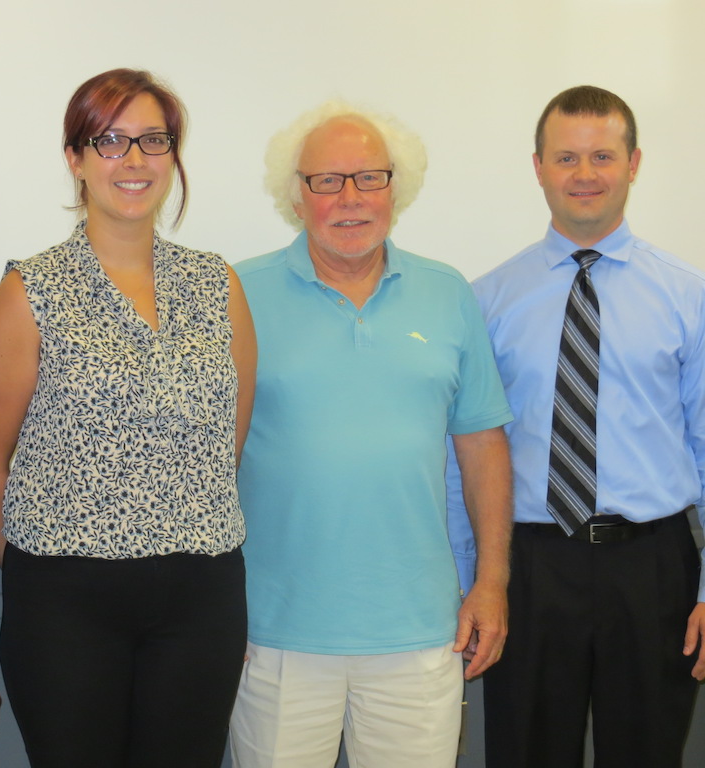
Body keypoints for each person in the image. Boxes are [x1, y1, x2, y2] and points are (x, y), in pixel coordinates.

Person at [0, 68, 256, 768]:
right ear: (76, 159)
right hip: (68, 608)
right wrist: (56, 570)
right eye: (110, 140)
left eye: (153, 140)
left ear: (174, 155)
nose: (133, 160)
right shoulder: (27, 293)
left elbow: (226, 445)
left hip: (201, 603)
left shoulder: (218, 284)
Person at [229, 101, 513, 768]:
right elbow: (207, 456)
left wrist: (493, 582)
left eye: (369, 178)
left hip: (419, 634)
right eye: (326, 181)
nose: (349, 199)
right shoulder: (237, 293)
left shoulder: (447, 294)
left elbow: (483, 447)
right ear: (296, 196)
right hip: (272, 636)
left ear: (397, 188)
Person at [459, 85, 705, 768]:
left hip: (653, 566)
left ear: (634, 163)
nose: (585, 173)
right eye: (566, 157)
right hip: (530, 567)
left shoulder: (689, 297)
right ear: (537, 166)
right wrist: (469, 579)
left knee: (647, 753)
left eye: (603, 155)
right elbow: (468, 460)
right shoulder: (488, 300)